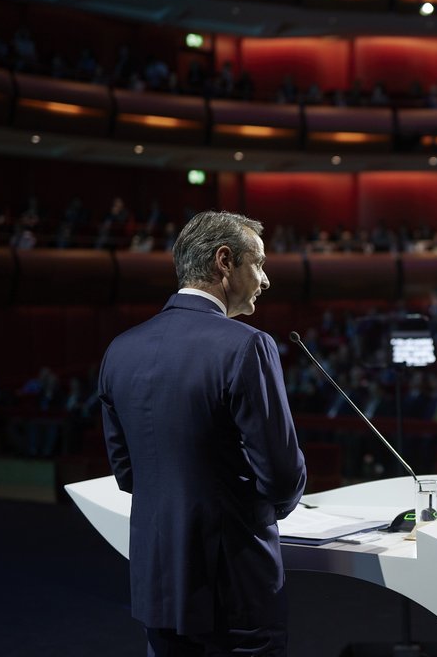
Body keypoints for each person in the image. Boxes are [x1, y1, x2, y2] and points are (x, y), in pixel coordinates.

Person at [99, 210, 307, 656]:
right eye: (261, 263)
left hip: (157, 582)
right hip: (235, 586)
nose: (266, 279)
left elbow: (127, 474)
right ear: (225, 261)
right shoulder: (247, 345)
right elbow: (282, 477)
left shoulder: (120, 349)